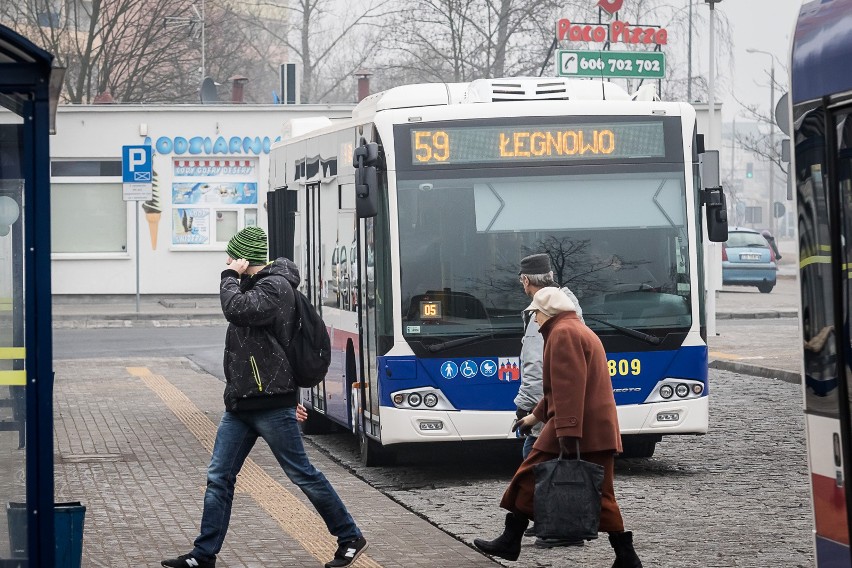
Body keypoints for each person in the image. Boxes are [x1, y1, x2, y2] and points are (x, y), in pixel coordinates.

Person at [162, 226, 368, 568]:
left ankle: (350, 536)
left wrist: (229, 274)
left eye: (232, 255)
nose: (227, 261)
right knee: (218, 477)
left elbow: (236, 310)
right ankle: (203, 556)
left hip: (271, 404)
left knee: (302, 473)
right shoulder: (254, 287)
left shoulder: (274, 287)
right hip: (242, 404)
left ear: (245, 258)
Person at [474, 287, 642, 567]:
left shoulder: (562, 333)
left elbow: (568, 390)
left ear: (546, 312)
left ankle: (510, 540)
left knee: (528, 477)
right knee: (600, 493)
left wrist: (566, 434)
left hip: (577, 428)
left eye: (535, 314)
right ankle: (626, 556)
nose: (534, 320)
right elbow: (562, 387)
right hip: (592, 427)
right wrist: (534, 417)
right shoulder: (574, 328)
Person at [515, 253, 584, 548]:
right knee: (545, 463)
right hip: (556, 409)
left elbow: (535, 365)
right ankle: (544, 521)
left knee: (537, 462)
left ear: (525, 280)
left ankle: (558, 527)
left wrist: (529, 408)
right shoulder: (567, 307)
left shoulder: (545, 314)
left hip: (553, 410)